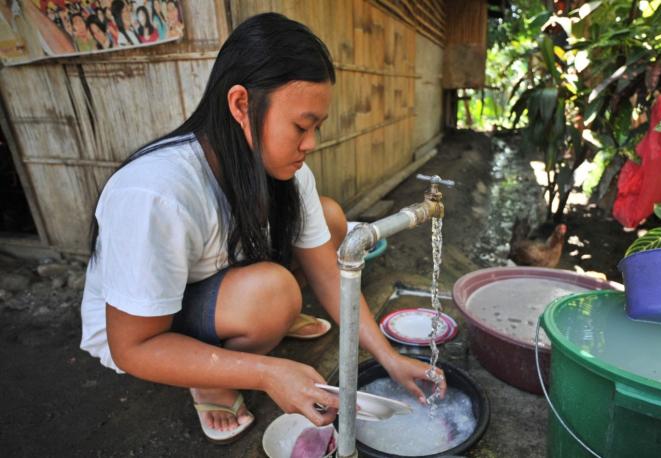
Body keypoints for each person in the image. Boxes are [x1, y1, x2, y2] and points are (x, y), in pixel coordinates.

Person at [80, 12, 446, 444]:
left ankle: (259, 321)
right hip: (148, 326)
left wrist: (388, 357)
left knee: (329, 219)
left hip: (210, 283)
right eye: (300, 126)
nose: (311, 143)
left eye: (316, 128)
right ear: (240, 105)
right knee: (275, 294)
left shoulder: (284, 172)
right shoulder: (155, 194)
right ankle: (212, 376)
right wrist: (268, 373)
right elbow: (132, 347)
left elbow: (330, 273)